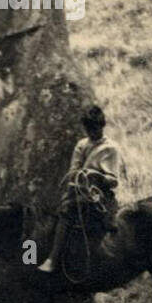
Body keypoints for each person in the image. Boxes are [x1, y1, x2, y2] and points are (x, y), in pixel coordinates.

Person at [39, 104, 124, 273]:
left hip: (100, 195)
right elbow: (73, 171)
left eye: (95, 129)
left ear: (102, 126)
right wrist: (79, 175)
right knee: (52, 212)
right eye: (89, 130)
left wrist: (98, 176)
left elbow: (114, 181)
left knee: (68, 211)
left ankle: (53, 260)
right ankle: (47, 256)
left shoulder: (112, 148)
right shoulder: (82, 145)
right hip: (79, 190)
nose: (92, 133)